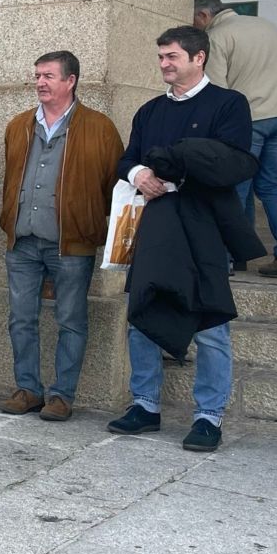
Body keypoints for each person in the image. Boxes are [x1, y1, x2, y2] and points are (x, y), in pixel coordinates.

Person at [108, 26, 261, 453]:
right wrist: (139, 174)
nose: (164, 64)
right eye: (160, 57)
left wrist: (180, 166)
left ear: (199, 58)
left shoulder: (229, 104)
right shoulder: (150, 110)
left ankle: (208, 417)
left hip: (205, 223)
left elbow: (235, 163)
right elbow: (127, 157)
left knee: (211, 322)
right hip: (157, 223)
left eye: (171, 56)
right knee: (143, 311)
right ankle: (145, 405)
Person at [0, 52, 123, 420]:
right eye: (37, 75)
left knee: (71, 319)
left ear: (71, 81)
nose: (40, 82)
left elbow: (112, 185)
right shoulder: (18, 125)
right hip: (22, 242)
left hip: (72, 243)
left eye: (49, 76)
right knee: (20, 318)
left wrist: (86, 221)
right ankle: (28, 389)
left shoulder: (99, 127)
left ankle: (61, 396)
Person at [194, 0, 277, 277]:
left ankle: (228, 258)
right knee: (269, 186)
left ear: (204, 16)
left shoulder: (217, 36)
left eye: (195, 22)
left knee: (235, 187)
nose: (196, 28)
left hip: (251, 120)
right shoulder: (267, 26)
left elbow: (216, 91)